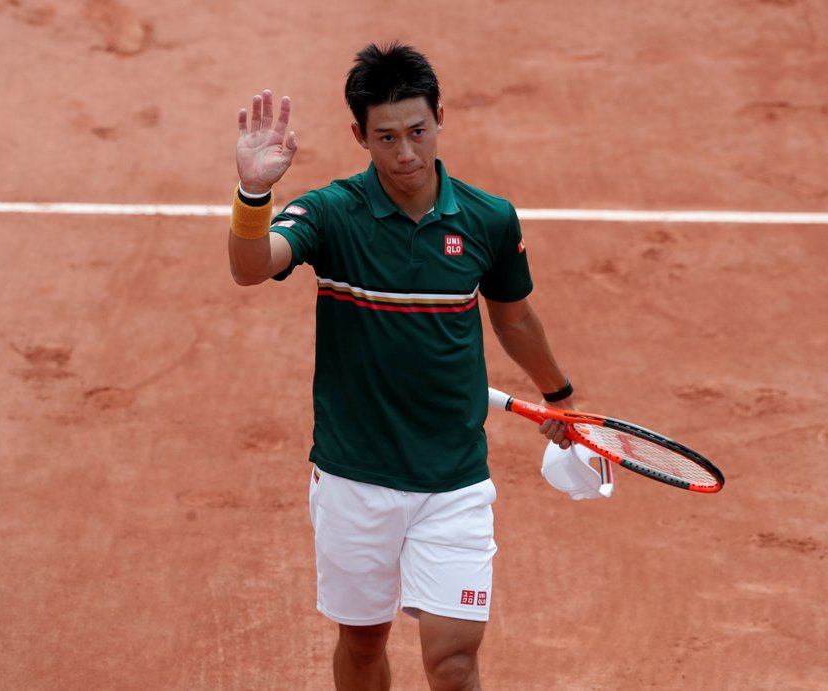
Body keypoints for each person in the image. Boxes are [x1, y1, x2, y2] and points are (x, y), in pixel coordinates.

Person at [228, 42, 576, 691]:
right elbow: (251, 267)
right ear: (359, 134)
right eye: (386, 137)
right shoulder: (332, 214)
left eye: (418, 131)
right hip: (354, 478)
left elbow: (514, 318)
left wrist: (558, 393)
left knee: (452, 663)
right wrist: (254, 193)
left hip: (454, 482)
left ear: (440, 116)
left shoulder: (487, 219)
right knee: (362, 648)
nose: (407, 152)